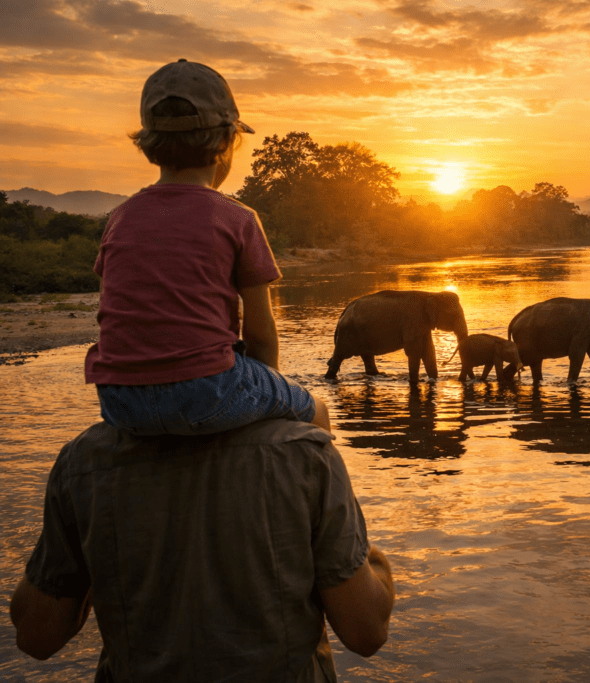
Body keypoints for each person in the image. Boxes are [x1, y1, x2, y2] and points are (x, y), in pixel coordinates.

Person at [9, 418, 395, 681]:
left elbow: (35, 636)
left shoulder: (83, 463)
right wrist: (370, 558)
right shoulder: (304, 453)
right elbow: (366, 632)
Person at [85, 59, 331, 435]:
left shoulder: (120, 217)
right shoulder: (238, 218)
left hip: (119, 399)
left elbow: (111, 315)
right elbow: (261, 336)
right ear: (227, 141)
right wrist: (271, 399)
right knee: (317, 411)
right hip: (206, 392)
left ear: (148, 143)